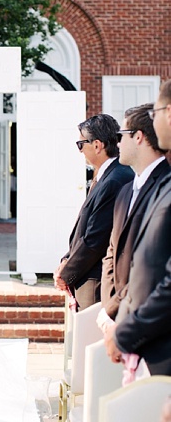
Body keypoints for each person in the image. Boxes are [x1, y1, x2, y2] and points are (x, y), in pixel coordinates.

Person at [105, 80, 171, 375]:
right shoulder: (156, 186)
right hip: (138, 334)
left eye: (157, 112)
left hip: (155, 340)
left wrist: (126, 330)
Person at [54, 114, 134, 310]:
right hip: (87, 273)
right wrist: (66, 259)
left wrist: (67, 273)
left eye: (80, 144)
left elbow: (96, 238)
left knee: (90, 339)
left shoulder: (115, 179)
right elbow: (85, 227)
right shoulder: (107, 175)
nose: (80, 151)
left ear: (97, 145)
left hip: (96, 280)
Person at [101, 103, 169, 320]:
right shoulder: (124, 192)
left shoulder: (165, 187)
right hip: (117, 315)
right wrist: (109, 306)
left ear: (138, 137)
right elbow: (112, 252)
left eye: (122, 135)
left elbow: (153, 264)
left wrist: (117, 308)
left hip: (146, 317)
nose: (118, 143)